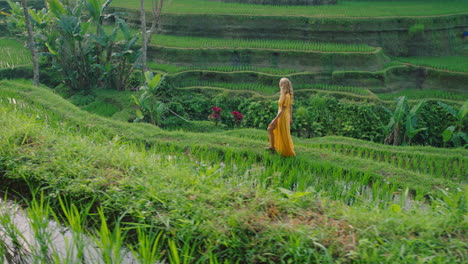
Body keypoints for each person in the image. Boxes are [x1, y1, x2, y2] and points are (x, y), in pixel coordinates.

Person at [265, 78, 296, 157]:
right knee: (270, 129)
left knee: (272, 129)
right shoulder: (284, 94)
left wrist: (275, 119)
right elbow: (290, 107)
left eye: (280, 83)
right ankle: (272, 147)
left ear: (283, 85)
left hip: (282, 116)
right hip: (283, 115)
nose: (279, 84)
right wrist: (291, 118)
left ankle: (284, 150)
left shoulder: (286, 96)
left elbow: (283, 109)